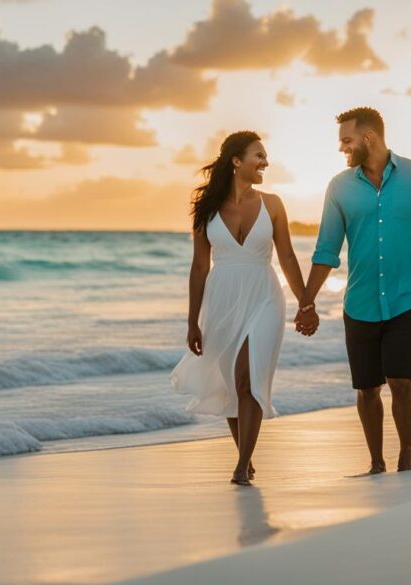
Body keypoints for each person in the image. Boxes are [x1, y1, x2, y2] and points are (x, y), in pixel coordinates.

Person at [295, 107, 411, 475]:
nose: (342, 148)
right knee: (367, 389)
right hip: (360, 302)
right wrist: (306, 303)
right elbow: (326, 251)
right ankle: (376, 462)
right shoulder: (338, 188)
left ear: (369, 137)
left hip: (408, 297)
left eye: (346, 140)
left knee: (401, 380)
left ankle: (407, 455)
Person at [171, 130, 309, 486]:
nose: (265, 162)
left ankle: (241, 464)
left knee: (250, 377)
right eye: (258, 155)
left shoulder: (274, 204)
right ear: (236, 161)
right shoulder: (206, 209)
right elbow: (200, 267)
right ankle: (245, 460)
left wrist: (305, 302)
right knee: (234, 386)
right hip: (222, 301)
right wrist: (192, 322)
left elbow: (288, 256)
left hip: (264, 295)